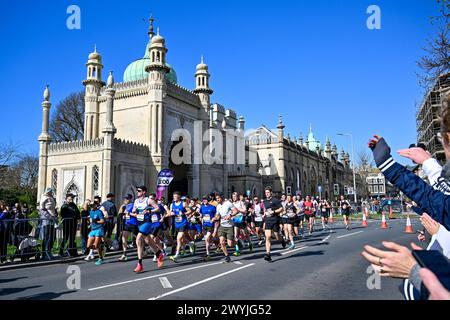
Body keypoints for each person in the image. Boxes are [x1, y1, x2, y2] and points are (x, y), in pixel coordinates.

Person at [131, 186, 164, 273]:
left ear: (144, 192)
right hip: (140, 223)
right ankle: (158, 254)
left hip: (147, 222)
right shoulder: (136, 201)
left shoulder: (148, 200)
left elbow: (158, 208)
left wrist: (150, 211)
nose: (137, 192)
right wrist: (133, 212)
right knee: (148, 241)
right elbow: (134, 210)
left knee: (138, 239)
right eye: (137, 190)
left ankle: (140, 264)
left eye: (139, 191)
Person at [262, 187, 286, 262]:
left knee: (277, 237)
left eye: (268, 192)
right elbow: (265, 209)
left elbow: (281, 209)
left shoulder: (275, 200)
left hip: (275, 220)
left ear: (271, 193)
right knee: (268, 237)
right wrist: (264, 214)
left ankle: (282, 240)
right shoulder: (265, 201)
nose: (266, 194)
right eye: (265, 193)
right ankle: (268, 254)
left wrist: (274, 212)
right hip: (268, 220)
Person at [169, 192, 192, 263]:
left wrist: (184, 213)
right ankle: (191, 244)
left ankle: (176, 255)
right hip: (176, 224)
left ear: (179, 197)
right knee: (182, 239)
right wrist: (171, 214)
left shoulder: (183, 203)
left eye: (175, 196)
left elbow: (190, 211)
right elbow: (170, 213)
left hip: (183, 223)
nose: (174, 197)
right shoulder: (172, 204)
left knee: (178, 238)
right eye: (173, 196)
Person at [215, 193, 237, 263]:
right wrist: (214, 218)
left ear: (221, 197)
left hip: (229, 226)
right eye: (216, 199)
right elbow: (218, 215)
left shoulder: (228, 203)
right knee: (222, 242)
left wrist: (230, 215)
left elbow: (236, 211)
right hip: (222, 226)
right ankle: (227, 256)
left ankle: (237, 242)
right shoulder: (218, 206)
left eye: (218, 198)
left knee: (230, 244)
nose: (217, 200)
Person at [39, 188, 57, 260]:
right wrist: (50, 217)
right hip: (46, 221)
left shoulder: (51, 198)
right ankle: (44, 253)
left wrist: (55, 215)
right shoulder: (44, 198)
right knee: (47, 237)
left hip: (52, 220)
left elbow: (53, 208)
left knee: (52, 236)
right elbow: (42, 209)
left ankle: (49, 251)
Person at [86, 201, 106, 266]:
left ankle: (101, 258)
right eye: (90, 206)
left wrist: (96, 221)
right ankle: (101, 247)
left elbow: (103, 221)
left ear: (95, 205)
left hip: (99, 229)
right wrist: (90, 224)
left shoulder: (99, 212)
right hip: (93, 229)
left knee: (96, 245)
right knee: (88, 246)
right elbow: (91, 220)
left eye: (92, 206)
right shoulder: (91, 212)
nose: (91, 207)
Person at [199, 196, 218, 260]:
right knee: (207, 240)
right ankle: (208, 253)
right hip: (204, 225)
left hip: (210, 225)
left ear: (208, 200)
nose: (204, 201)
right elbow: (201, 215)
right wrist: (201, 222)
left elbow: (216, 215)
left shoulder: (213, 207)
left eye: (205, 199)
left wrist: (213, 218)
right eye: (203, 199)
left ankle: (208, 254)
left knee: (207, 239)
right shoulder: (202, 207)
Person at [118, 194, 135, 261]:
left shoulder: (133, 205)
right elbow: (119, 214)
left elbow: (136, 214)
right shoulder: (125, 206)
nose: (125, 200)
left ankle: (149, 249)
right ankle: (124, 254)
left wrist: (129, 214)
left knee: (141, 239)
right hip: (127, 224)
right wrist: (122, 207)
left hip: (134, 224)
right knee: (124, 238)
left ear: (130, 199)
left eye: (127, 199)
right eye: (125, 199)